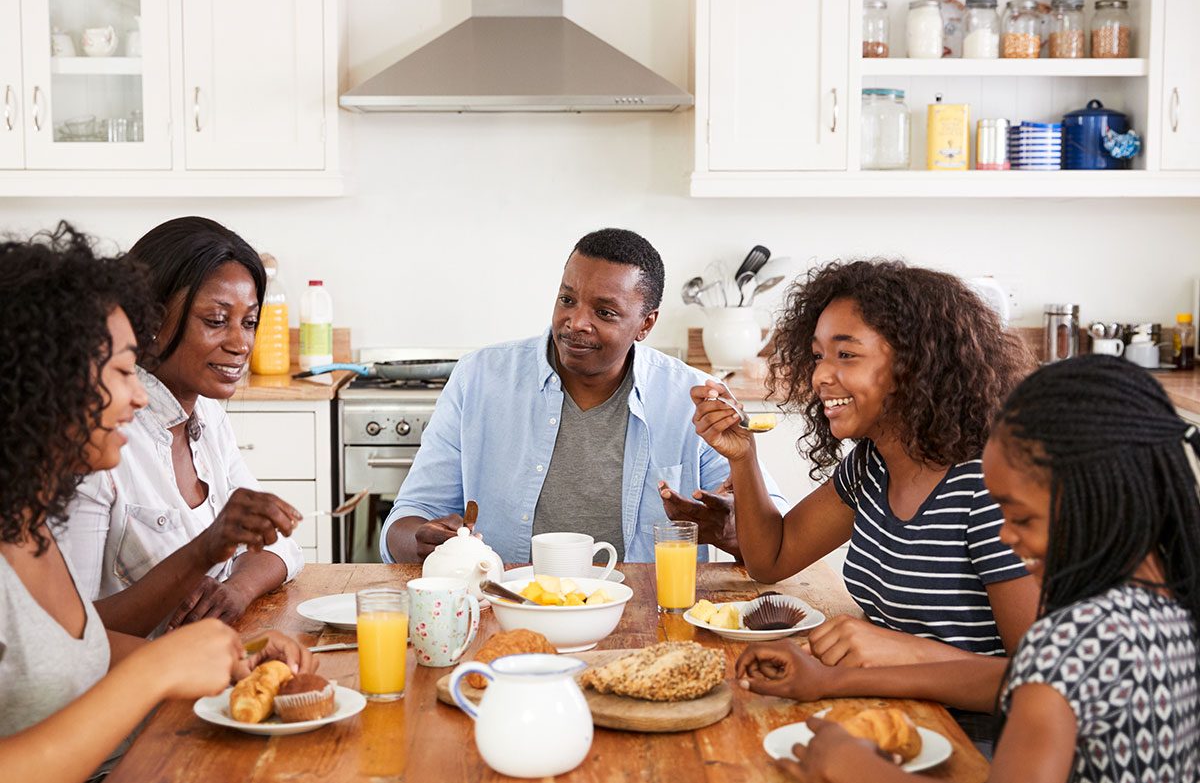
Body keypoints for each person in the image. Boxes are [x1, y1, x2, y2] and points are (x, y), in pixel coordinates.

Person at [738, 356, 1200, 783]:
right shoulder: (1166, 611)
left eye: (1021, 517)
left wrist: (857, 769)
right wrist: (831, 681)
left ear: (1101, 499)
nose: (1004, 536)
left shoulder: (1073, 636)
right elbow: (1023, 678)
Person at [0, 224, 314, 783]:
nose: (143, 395)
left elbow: (77, 651)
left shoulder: (27, 526)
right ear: (46, 381)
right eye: (122, 371)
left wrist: (230, 660)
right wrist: (157, 672)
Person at [691, 260, 1039, 670]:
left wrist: (897, 653)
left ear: (915, 364)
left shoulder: (988, 487)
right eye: (818, 355)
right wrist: (743, 456)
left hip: (973, 734)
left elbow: (1040, 678)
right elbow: (772, 560)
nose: (820, 374)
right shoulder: (871, 467)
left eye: (846, 354)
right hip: (887, 706)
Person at [380, 228, 786, 564]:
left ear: (645, 325)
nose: (575, 322)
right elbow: (403, 523)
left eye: (605, 312)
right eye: (567, 299)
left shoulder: (690, 397)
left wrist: (729, 529)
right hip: (502, 608)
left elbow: (772, 540)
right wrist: (421, 539)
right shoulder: (479, 378)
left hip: (645, 615)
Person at [60, 216, 305, 637]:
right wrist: (204, 553)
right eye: (216, 320)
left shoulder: (208, 416)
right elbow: (71, 638)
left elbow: (282, 547)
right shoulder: (96, 441)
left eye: (248, 322)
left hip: (203, 666)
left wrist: (235, 590)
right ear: (150, 320)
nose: (241, 343)